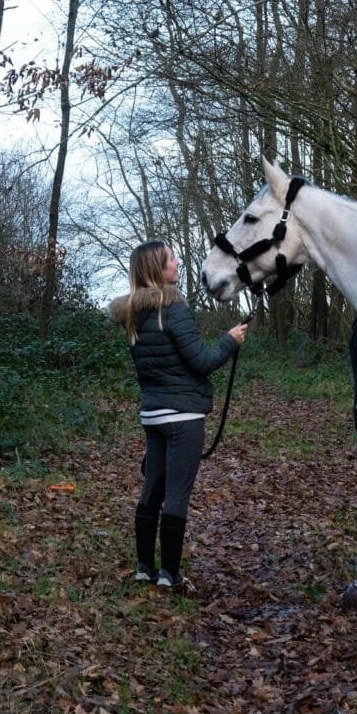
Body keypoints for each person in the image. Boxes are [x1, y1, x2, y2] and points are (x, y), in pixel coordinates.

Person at [110, 240, 248, 590]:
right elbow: (202, 361)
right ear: (157, 268)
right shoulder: (173, 308)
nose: (177, 263)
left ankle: (145, 568)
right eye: (171, 259)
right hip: (183, 418)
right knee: (176, 493)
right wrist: (229, 340)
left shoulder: (134, 314)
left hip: (153, 414)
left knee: (152, 489)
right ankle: (170, 574)